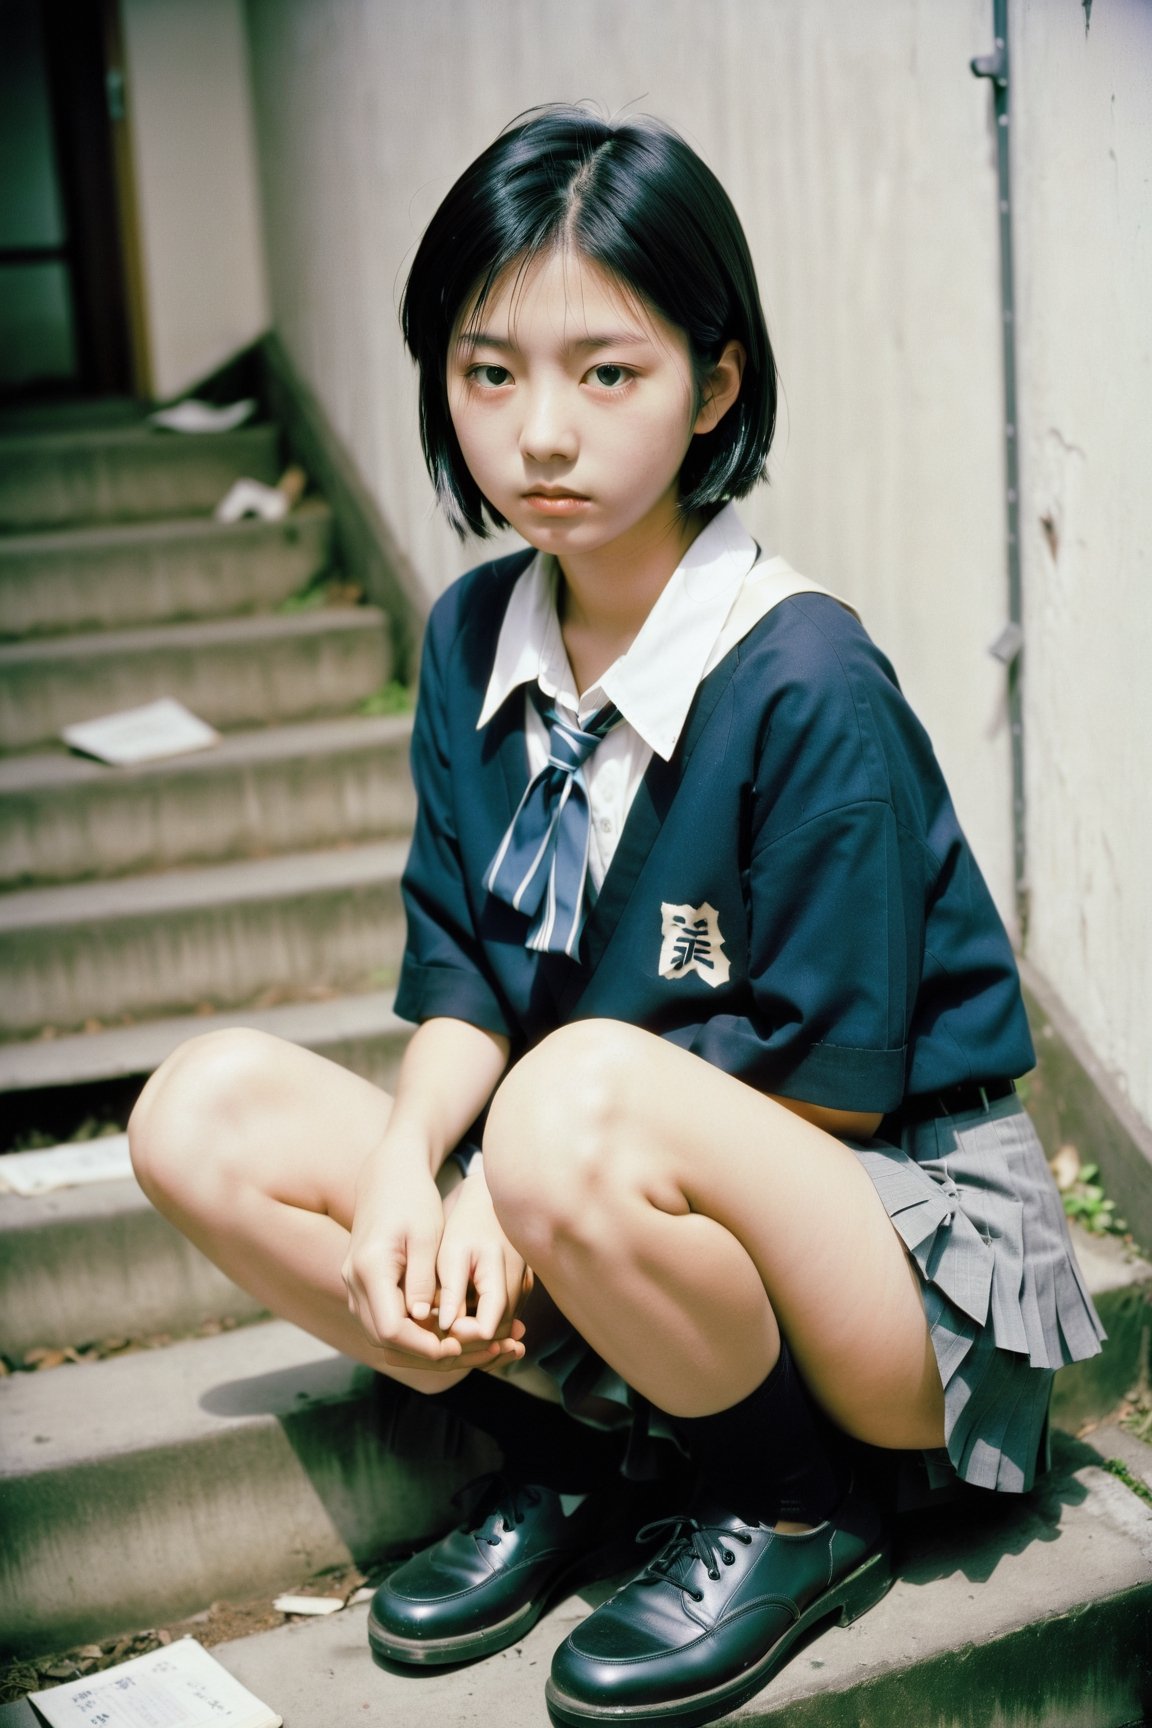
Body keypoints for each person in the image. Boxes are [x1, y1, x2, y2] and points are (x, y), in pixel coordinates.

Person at [128, 105, 1105, 1728]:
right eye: (488, 370)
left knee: (559, 1101)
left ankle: (796, 1503)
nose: (541, 435)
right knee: (200, 1113)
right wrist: (396, 1186)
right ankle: (584, 1448)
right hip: (603, 1181)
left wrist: (509, 1184)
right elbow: (461, 976)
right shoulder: (469, 642)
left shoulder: (803, 675)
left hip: (902, 1254)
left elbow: (836, 1081)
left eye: (609, 371)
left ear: (715, 384)